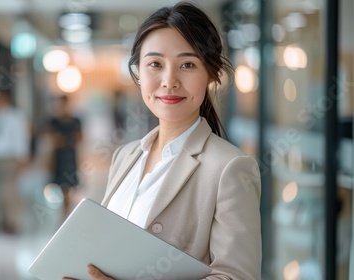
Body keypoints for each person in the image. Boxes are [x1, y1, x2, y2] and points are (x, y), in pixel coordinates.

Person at [63, 2, 262, 279]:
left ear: (211, 74)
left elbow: (237, 276)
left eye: (188, 64)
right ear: (138, 73)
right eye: (155, 64)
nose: (169, 80)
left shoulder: (230, 168)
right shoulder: (125, 156)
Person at [0, 91, 30, 234]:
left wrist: (22, 157)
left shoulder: (15, 116)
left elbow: (20, 138)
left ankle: (12, 221)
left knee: (8, 189)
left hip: (10, 157)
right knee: (0, 190)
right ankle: (3, 220)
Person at [46, 95, 83, 219]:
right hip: (58, 158)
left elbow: (79, 138)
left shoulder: (75, 120)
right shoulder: (54, 121)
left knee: (67, 186)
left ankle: (65, 212)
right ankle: (64, 212)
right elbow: (52, 139)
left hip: (69, 156)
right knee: (61, 185)